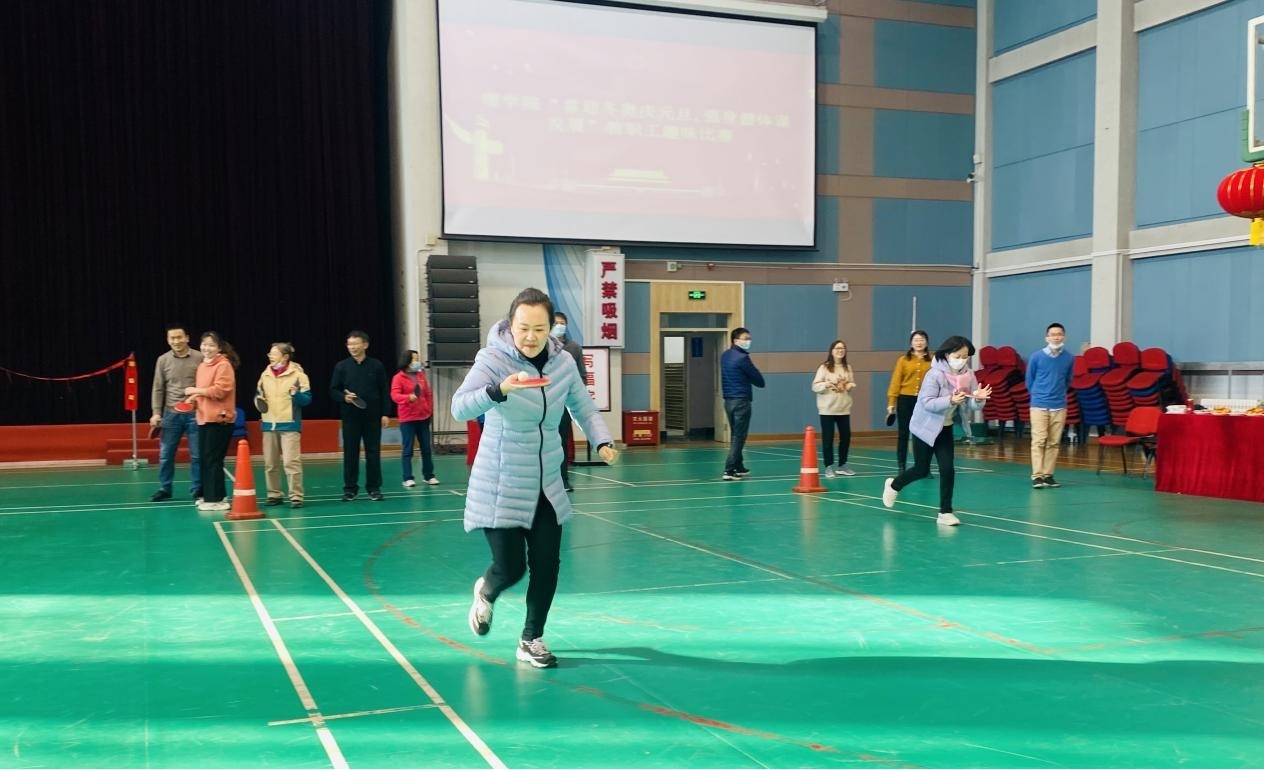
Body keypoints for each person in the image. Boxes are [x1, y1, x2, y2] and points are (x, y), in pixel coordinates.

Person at [453, 288, 617, 669]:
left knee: (547, 564)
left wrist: (602, 440)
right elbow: (459, 407)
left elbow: (583, 406)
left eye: (540, 329)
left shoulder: (563, 364)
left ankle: (531, 639)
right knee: (511, 568)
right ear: (510, 325)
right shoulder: (492, 359)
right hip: (501, 481)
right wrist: (498, 390)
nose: (531, 336)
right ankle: (487, 589)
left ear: (551, 329)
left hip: (546, 481)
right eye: (523, 328)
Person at [881, 335, 991, 526]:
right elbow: (927, 402)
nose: (962, 360)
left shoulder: (968, 375)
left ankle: (945, 512)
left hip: (945, 428)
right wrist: (950, 400)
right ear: (947, 354)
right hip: (924, 427)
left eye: (965, 356)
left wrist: (979, 399)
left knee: (948, 469)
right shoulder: (934, 374)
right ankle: (894, 485)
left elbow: (971, 403)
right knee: (921, 469)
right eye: (958, 356)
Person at [329, 330, 391, 502]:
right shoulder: (341, 367)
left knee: (373, 453)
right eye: (349, 344)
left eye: (355, 344)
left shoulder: (376, 366)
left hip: (372, 417)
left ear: (365, 345)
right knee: (350, 454)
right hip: (350, 418)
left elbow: (384, 390)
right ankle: (350, 489)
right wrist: (344, 397)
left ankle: (374, 488)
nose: (352, 347)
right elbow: (333, 390)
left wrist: (385, 413)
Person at [148, 324, 203, 503]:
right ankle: (165, 488)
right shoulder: (162, 360)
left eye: (179, 337)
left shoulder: (200, 357)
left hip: (195, 413)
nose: (176, 341)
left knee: (197, 455)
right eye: (172, 338)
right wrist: (156, 413)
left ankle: (198, 489)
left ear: (187, 338)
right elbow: (158, 388)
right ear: (168, 340)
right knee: (166, 455)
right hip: (170, 415)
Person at [185, 332, 239, 512]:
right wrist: (193, 399)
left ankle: (218, 500)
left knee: (213, 459)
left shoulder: (224, 365)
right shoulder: (202, 366)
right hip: (203, 418)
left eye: (211, 345)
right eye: (204, 344)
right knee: (205, 459)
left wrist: (196, 391)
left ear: (219, 348)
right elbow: (204, 392)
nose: (206, 348)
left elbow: (220, 391)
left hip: (220, 419)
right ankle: (209, 496)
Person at [256, 342, 313, 508]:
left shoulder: (299, 375)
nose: (270, 356)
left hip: (289, 425)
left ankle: (296, 496)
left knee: (291, 462)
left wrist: (296, 395)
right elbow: (258, 396)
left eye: (274, 353)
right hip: (269, 425)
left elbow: (307, 400)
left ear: (285, 357)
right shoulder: (265, 374)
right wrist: (258, 401)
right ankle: (274, 494)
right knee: (270, 463)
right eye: (270, 353)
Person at [1026, 322, 1074, 489]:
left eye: (1059, 334)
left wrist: (1058, 394)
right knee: (1039, 441)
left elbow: (1068, 380)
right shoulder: (1036, 357)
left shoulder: (1069, 358)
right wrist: (1039, 395)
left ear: (1064, 337)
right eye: (1053, 334)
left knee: (1054, 442)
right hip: (1039, 405)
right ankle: (1037, 476)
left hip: (1059, 405)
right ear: (1047, 338)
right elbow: (1029, 380)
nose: (1056, 337)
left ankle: (1048, 475)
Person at [720, 327, 765, 481]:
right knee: (739, 436)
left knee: (735, 433)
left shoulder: (725, 356)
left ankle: (739, 466)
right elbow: (759, 380)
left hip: (728, 401)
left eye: (749, 338)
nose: (748, 341)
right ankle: (729, 470)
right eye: (746, 338)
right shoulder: (742, 358)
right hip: (741, 401)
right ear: (736, 340)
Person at [885, 330, 932, 473]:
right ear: (911, 343)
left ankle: (923, 467)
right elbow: (895, 382)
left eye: (922, 339)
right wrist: (891, 403)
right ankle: (902, 466)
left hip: (924, 401)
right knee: (903, 434)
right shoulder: (903, 360)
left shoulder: (933, 360)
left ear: (926, 342)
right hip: (905, 400)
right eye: (916, 340)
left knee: (923, 435)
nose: (919, 342)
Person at [552, 311, 589, 491]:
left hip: (564, 405)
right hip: (543, 404)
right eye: (556, 323)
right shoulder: (542, 346)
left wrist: (574, 394)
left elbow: (582, 376)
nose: (559, 326)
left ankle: (563, 479)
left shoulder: (574, 348)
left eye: (562, 323)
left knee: (561, 442)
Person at [391, 349, 438, 488]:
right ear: (407, 361)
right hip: (408, 419)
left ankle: (429, 476)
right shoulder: (398, 378)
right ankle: (408, 478)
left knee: (426, 448)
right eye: (414, 359)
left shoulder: (421, 375)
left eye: (418, 359)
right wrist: (408, 398)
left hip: (423, 417)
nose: (417, 362)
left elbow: (428, 394)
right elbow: (395, 395)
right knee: (408, 450)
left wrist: (429, 409)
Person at [812, 339, 856, 478]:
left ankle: (842, 465)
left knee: (846, 437)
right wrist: (825, 384)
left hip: (843, 408)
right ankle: (828, 466)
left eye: (843, 348)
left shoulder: (847, 367)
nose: (840, 350)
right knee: (828, 439)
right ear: (832, 351)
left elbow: (851, 383)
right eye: (837, 348)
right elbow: (815, 386)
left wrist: (850, 385)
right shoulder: (824, 368)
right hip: (827, 409)